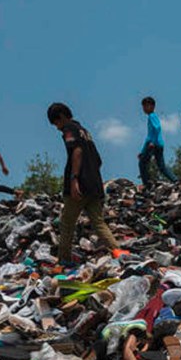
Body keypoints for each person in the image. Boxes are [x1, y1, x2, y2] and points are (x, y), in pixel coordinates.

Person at [46, 103, 122, 264]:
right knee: (98, 222)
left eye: (56, 123)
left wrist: (74, 180)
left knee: (67, 224)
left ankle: (63, 260)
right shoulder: (85, 132)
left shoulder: (69, 129)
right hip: (94, 185)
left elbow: (77, 151)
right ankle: (119, 253)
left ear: (61, 117)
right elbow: (98, 160)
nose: (57, 128)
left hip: (79, 186)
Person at [138, 96, 177, 185]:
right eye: (143, 106)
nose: (144, 108)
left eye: (146, 106)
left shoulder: (152, 116)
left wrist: (152, 142)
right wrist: (142, 151)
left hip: (153, 144)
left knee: (142, 163)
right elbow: (149, 136)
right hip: (158, 144)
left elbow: (157, 128)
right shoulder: (151, 117)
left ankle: (147, 184)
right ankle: (175, 180)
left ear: (152, 106)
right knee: (161, 166)